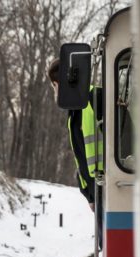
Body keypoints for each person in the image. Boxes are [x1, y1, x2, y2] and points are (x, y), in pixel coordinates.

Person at [48, 58, 101, 211]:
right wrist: (90, 196)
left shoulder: (96, 98)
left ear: (57, 84)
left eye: (53, 86)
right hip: (99, 196)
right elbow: (82, 158)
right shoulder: (75, 111)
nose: (54, 91)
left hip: (112, 192)